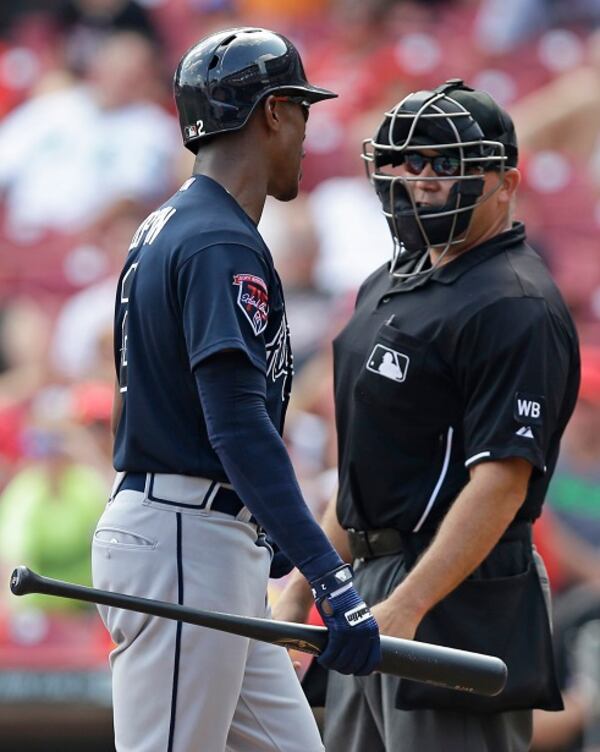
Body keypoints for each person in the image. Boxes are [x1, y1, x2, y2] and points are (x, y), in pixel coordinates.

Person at [91, 27, 380, 752]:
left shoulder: (170, 226)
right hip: (186, 537)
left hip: (199, 534)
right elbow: (237, 425)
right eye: (303, 112)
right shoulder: (219, 239)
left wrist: (269, 534)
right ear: (273, 112)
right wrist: (327, 574)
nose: (307, 135)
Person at [274, 78, 581, 752]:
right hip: (368, 583)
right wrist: (307, 579)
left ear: (504, 182)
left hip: (457, 586)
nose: (421, 180)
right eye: (404, 163)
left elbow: (502, 481)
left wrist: (411, 603)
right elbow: (369, 470)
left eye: (445, 164)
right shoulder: (386, 281)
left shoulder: (514, 302)